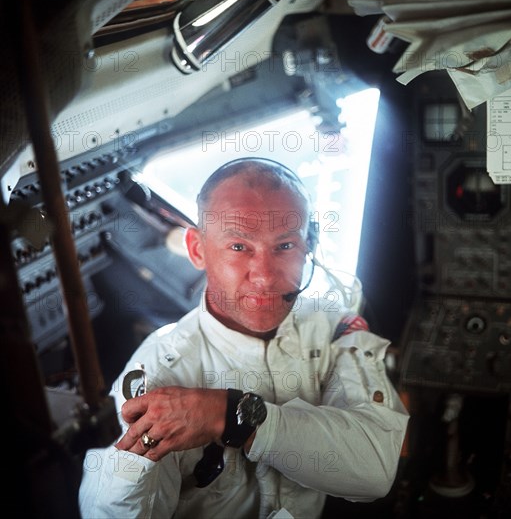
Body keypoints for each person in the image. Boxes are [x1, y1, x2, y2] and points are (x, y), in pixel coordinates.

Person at [79, 157, 409, 518]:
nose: (266, 276)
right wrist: (131, 464)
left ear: (308, 246)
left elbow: (374, 469)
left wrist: (231, 416)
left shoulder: (330, 324)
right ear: (197, 250)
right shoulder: (160, 371)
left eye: (284, 246)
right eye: (239, 247)